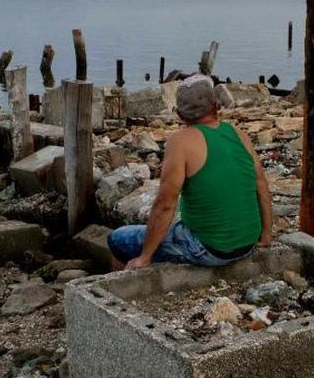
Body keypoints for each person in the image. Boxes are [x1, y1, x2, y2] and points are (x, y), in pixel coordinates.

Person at [108, 73, 273, 270]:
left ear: (179, 114)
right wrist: (266, 233)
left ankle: (124, 284)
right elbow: (261, 184)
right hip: (247, 244)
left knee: (117, 239)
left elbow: (165, 204)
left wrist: (145, 256)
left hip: (209, 249)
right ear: (216, 106)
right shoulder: (239, 134)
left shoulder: (179, 141)